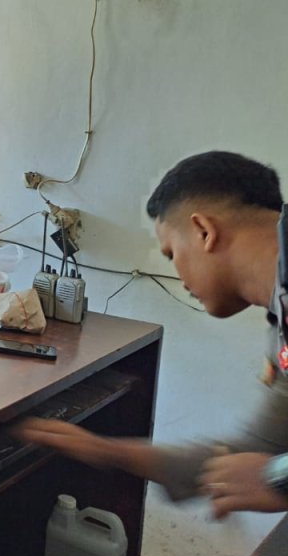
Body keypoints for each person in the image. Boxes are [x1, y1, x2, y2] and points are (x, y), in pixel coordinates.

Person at [20, 151, 288, 520]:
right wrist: (106, 451)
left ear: (204, 232)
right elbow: (254, 454)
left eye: (172, 253)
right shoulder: (280, 321)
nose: (181, 278)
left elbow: (267, 469)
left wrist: (277, 479)